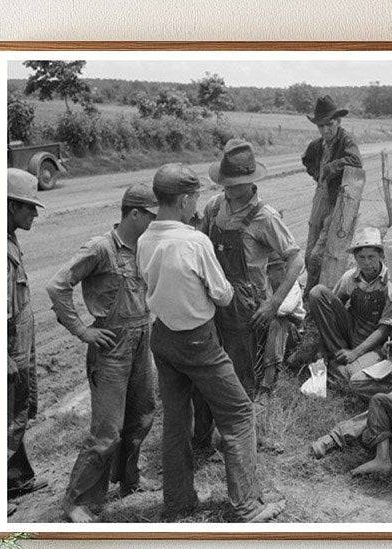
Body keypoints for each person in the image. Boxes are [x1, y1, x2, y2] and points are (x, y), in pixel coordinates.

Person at [137, 163, 283, 524]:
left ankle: (178, 503)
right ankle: (247, 505)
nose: (196, 206)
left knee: (175, 422)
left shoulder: (144, 239)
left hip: (163, 338)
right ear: (185, 199)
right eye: (194, 199)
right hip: (198, 340)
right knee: (238, 413)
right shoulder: (194, 241)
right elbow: (221, 293)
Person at [46, 183, 158, 522]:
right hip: (111, 348)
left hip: (142, 340)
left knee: (142, 415)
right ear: (134, 214)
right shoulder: (100, 248)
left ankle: (128, 480)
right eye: (151, 216)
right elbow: (57, 285)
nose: (155, 222)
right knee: (106, 431)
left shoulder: (144, 248)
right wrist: (81, 329)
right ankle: (76, 501)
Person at [195, 139, 303, 449]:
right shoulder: (214, 207)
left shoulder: (264, 217)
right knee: (213, 369)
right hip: (213, 302)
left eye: (236, 183)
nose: (229, 188)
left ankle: (240, 441)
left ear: (251, 182)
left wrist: (274, 302)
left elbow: (297, 259)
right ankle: (210, 432)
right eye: (225, 182)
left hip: (247, 308)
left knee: (243, 375)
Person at [5, 168, 47, 512]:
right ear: (9, 206)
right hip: (9, 349)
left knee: (18, 410)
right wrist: (4, 356)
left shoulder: (9, 242)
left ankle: (17, 478)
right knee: (8, 417)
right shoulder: (1, 252)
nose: (33, 213)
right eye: (28, 207)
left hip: (19, 344)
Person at [307, 226, 392, 374]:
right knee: (317, 293)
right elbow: (330, 312)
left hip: (374, 341)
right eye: (361, 257)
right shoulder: (350, 278)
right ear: (355, 257)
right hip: (350, 331)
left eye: (371, 257)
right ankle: (335, 352)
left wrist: (355, 353)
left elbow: (386, 327)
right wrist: (321, 348)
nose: (366, 262)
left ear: (381, 255)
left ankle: (339, 362)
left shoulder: (390, 282)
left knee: (351, 373)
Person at [301, 95, 363, 290]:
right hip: (319, 198)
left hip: (338, 200)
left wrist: (331, 168)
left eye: (330, 125)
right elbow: (307, 160)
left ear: (338, 122)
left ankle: (314, 296)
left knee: (318, 256)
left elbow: (356, 161)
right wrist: (317, 173)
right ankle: (313, 293)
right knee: (308, 252)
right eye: (321, 126)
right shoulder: (317, 144)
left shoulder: (346, 140)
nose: (325, 130)